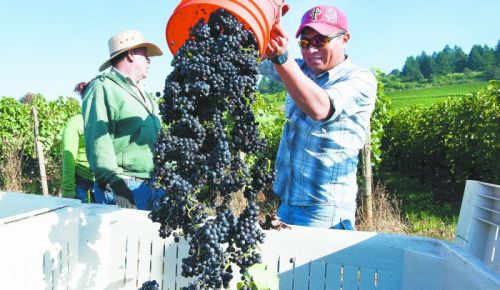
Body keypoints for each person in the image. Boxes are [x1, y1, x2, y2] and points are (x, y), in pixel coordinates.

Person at [262, 5, 377, 229]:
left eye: (320, 41)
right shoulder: (300, 69)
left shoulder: (360, 79)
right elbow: (253, 58)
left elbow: (320, 108)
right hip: (287, 204)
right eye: (305, 43)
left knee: (316, 265)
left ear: (345, 39)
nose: (311, 50)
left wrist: (281, 57)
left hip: (325, 211)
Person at [81, 29, 165, 210]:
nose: (149, 60)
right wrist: (116, 184)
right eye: (145, 54)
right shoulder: (103, 87)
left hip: (152, 185)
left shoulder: (145, 95)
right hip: (125, 186)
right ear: (131, 55)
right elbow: (98, 140)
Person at [61, 113, 95, 203]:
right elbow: (69, 157)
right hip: (82, 181)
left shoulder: (108, 120)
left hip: (105, 182)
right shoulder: (76, 122)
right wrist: (68, 191)